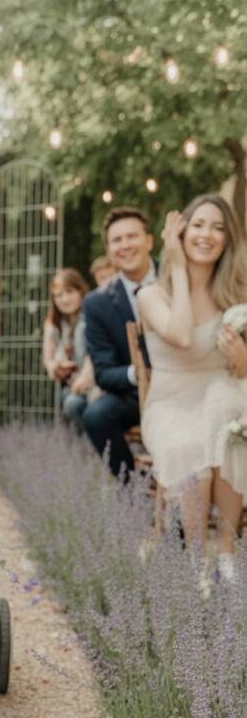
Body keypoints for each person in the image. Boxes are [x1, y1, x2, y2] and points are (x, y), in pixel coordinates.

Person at [138, 195, 247, 580]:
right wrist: (180, 270)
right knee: (190, 443)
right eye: (199, 225)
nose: (207, 235)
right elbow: (182, 335)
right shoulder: (151, 295)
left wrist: (243, 360)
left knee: (231, 421)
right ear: (181, 233)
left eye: (218, 228)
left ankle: (226, 552)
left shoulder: (236, 296)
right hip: (170, 405)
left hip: (223, 399)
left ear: (228, 239)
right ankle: (196, 559)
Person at [82, 206, 156, 478]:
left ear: (148, 240)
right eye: (117, 240)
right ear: (109, 249)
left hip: (184, 385)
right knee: (95, 416)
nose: (125, 245)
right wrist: (138, 374)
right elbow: (103, 372)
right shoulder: (96, 303)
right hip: (135, 394)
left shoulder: (176, 278)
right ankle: (134, 493)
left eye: (132, 237)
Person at [42, 268, 98, 431]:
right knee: (68, 399)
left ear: (81, 291)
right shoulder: (58, 322)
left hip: (97, 384)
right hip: (74, 385)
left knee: (72, 403)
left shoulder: (91, 315)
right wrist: (55, 367)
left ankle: (96, 445)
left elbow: (94, 353)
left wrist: (85, 376)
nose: (64, 299)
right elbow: (48, 361)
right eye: (58, 295)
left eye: (69, 292)